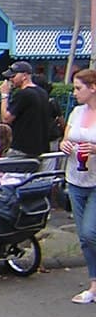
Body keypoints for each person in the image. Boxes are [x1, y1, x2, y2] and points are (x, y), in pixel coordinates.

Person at [58, 68, 96, 304]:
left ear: (93, 88)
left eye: (78, 88)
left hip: (95, 181)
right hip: (75, 178)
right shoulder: (76, 112)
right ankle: (94, 285)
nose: (74, 93)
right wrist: (64, 145)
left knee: (90, 232)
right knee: (83, 236)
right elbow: (67, 137)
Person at [0, 60, 50, 158]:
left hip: (22, 148)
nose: (11, 79)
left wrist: (4, 95)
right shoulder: (43, 93)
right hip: (40, 148)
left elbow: (6, 118)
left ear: (24, 75)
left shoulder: (23, 94)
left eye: (13, 76)